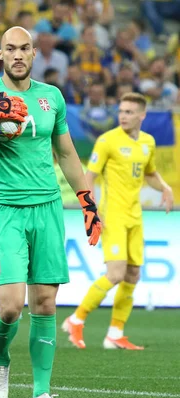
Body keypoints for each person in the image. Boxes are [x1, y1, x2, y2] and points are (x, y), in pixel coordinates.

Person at [0, 27, 103, 398]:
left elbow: (67, 154)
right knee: (9, 306)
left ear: (35, 53)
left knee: (45, 302)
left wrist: (87, 202)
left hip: (48, 208)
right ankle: (0, 360)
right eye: (10, 49)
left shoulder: (51, 97)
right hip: (5, 208)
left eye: (24, 49)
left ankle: (41, 394)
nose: (18, 55)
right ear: (0, 53)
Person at [63, 93, 173, 350]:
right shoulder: (107, 141)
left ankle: (114, 333)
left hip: (136, 216)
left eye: (129, 112)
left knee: (133, 275)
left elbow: (150, 173)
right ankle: (75, 319)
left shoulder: (148, 142)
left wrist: (164, 186)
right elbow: (90, 176)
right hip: (112, 215)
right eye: (121, 111)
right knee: (115, 274)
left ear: (141, 116)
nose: (123, 115)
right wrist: (90, 207)